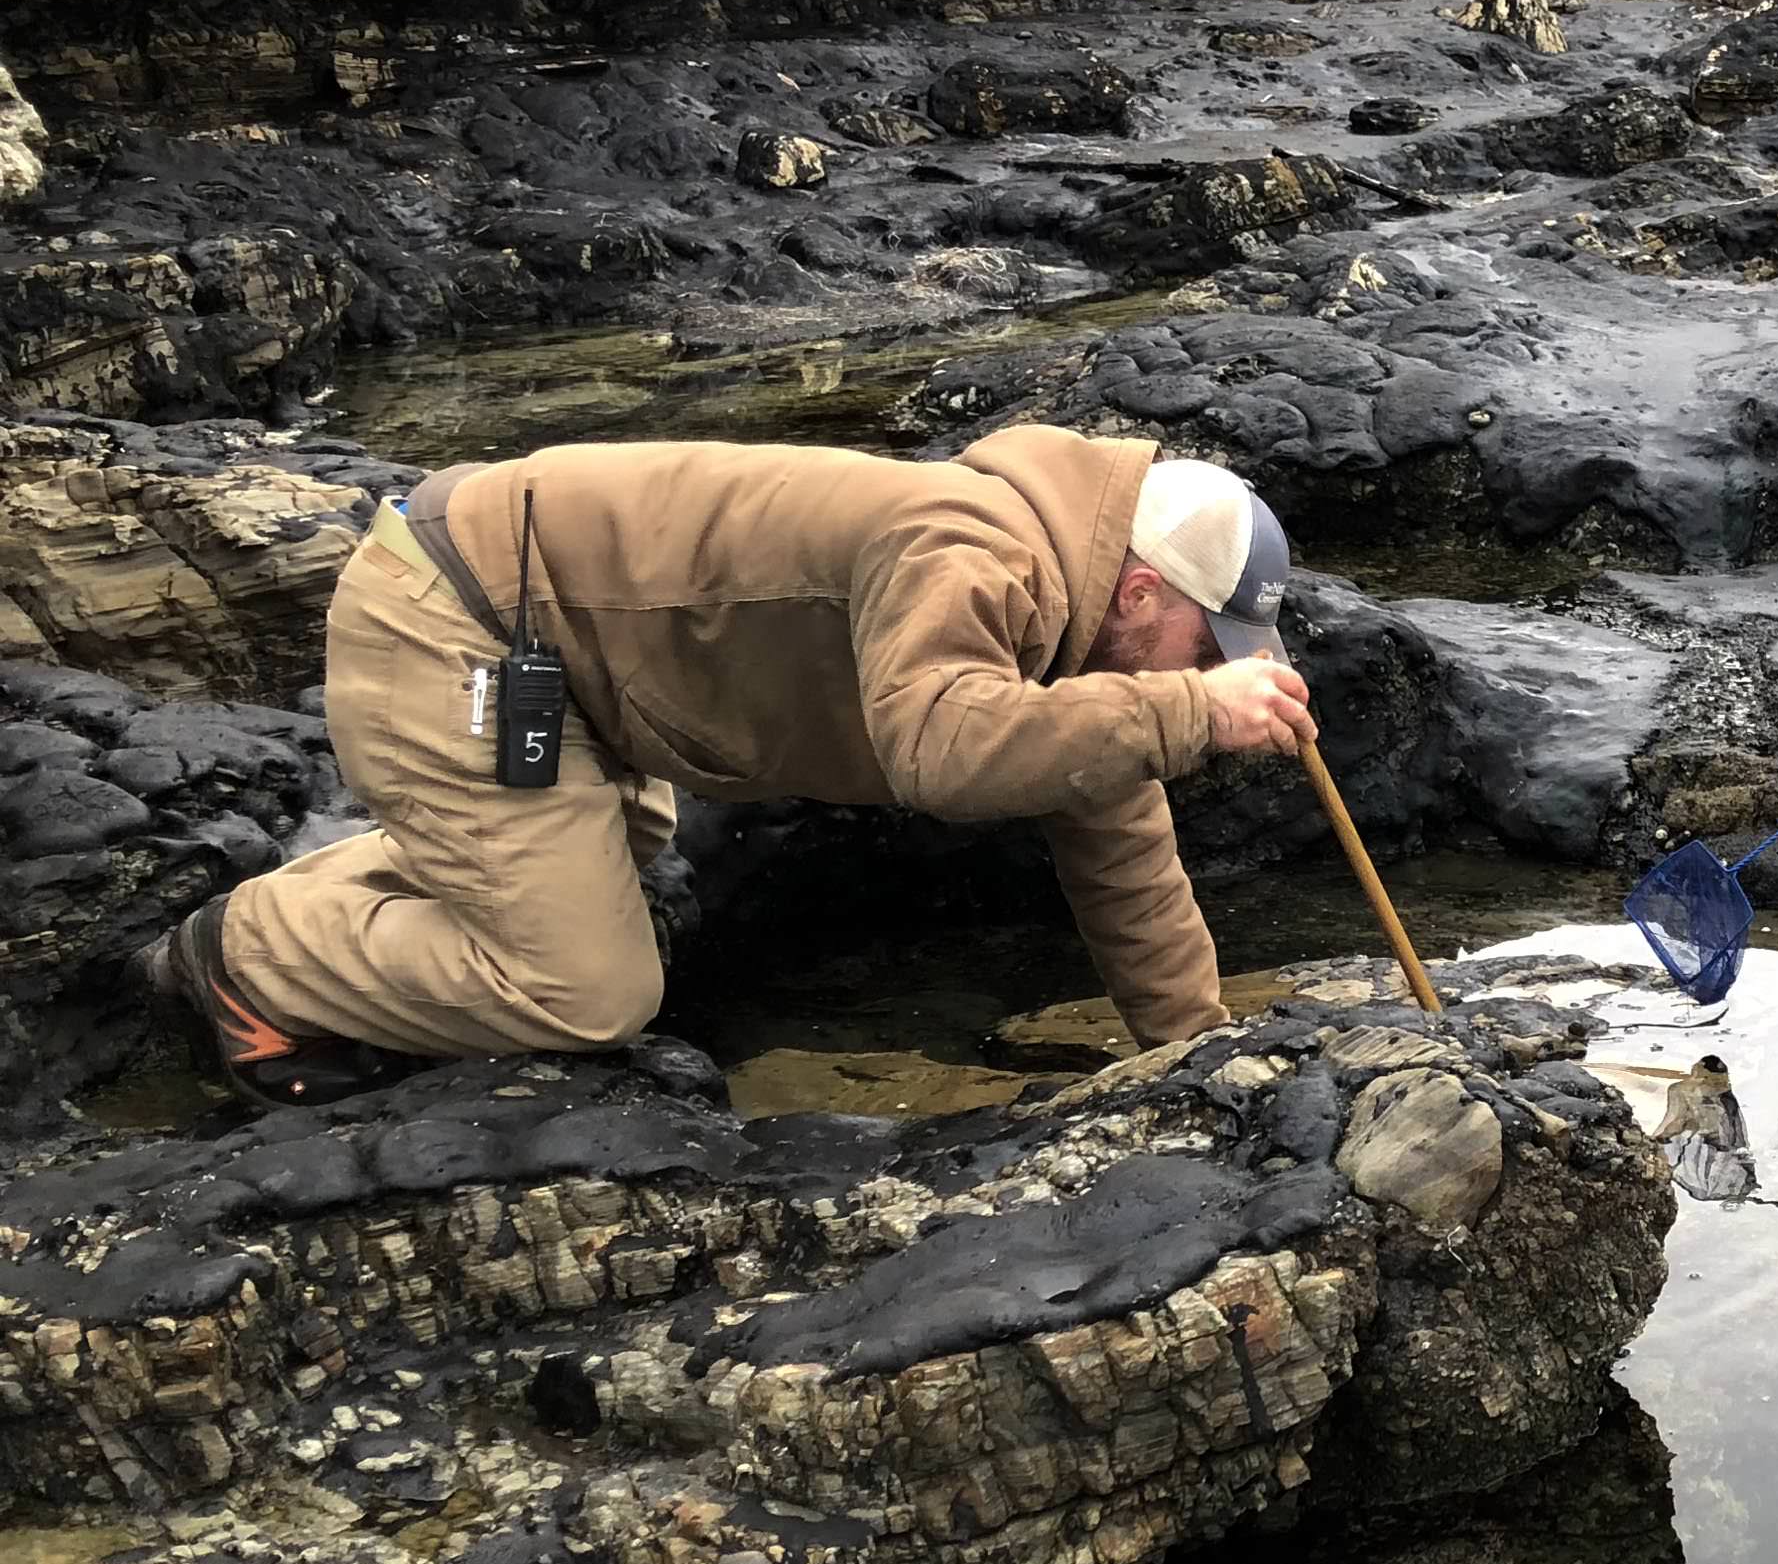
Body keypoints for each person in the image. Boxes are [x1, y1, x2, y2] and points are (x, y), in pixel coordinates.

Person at [139, 427, 1316, 1108]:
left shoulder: (1072, 623)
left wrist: (1196, 1052)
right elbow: (942, 751)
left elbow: (1119, 838)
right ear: (1145, 591)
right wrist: (1189, 711)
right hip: (457, 618)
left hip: (565, 661)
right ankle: (242, 954)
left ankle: (347, 894)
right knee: (587, 995)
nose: (1212, 671)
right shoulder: (964, 544)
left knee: (624, 859)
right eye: (1210, 646)